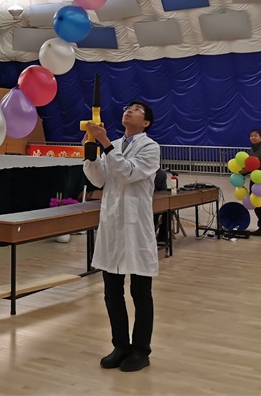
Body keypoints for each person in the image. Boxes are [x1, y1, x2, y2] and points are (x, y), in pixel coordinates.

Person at [83, 101, 160, 373]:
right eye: (127, 107)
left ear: (146, 122)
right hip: (112, 225)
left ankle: (141, 350)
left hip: (135, 227)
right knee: (112, 292)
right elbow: (99, 180)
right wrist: (91, 154)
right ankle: (121, 346)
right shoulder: (113, 145)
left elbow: (128, 172)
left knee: (140, 292)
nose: (129, 110)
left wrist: (105, 143)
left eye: (136, 109)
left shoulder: (150, 147)